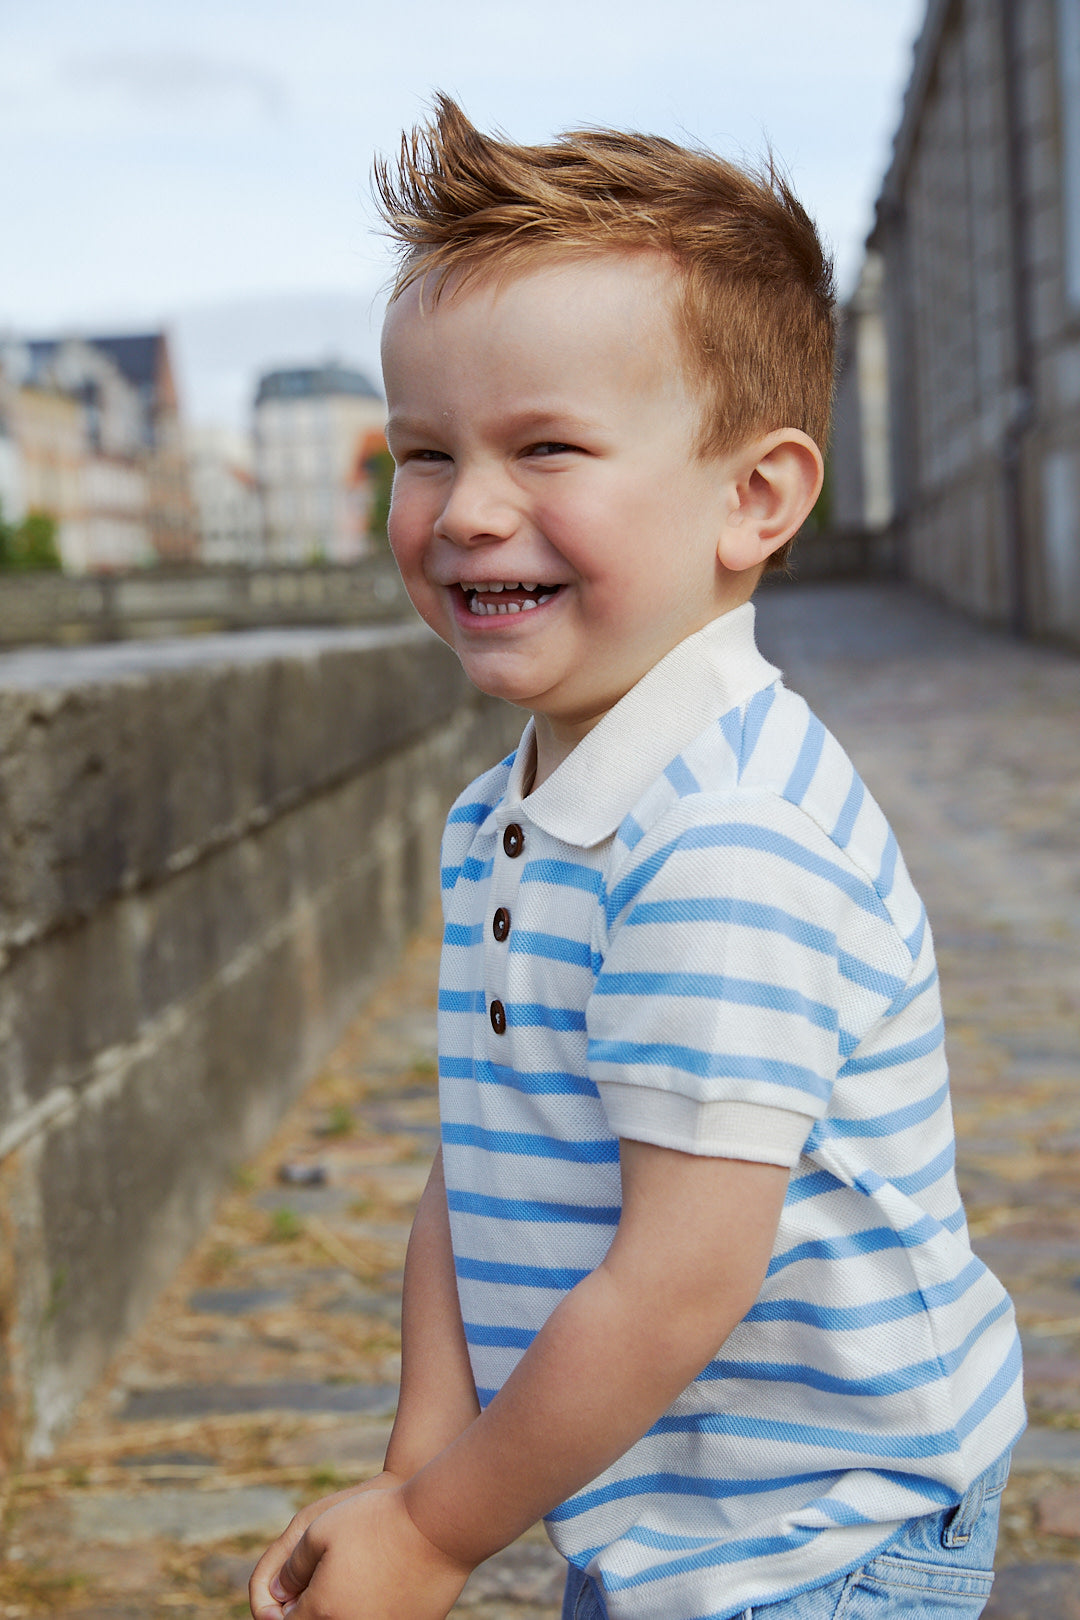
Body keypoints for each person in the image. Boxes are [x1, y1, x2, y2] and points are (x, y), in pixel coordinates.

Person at [250, 96, 1024, 1620]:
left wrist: (441, 1534)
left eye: (547, 447)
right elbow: (478, 1158)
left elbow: (678, 1280)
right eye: (424, 452)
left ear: (756, 497)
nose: (467, 511)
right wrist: (413, 1482)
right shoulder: (513, 805)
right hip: (657, 1506)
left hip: (822, 1537)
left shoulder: (725, 838)